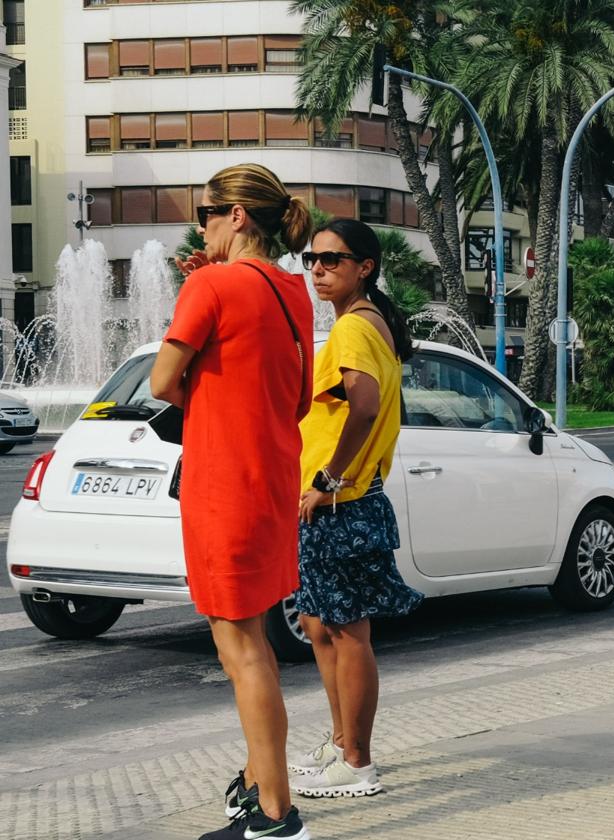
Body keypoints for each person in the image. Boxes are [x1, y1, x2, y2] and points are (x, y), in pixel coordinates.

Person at [150, 163, 315, 840]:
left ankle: (277, 817)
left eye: (206, 213)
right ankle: (259, 785)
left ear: (239, 216)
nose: (201, 226)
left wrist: (213, 398)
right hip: (271, 483)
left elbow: (163, 382)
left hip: (224, 488)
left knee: (240, 651)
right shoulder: (292, 289)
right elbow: (296, 395)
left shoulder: (212, 285)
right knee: (256, 648)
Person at [287, 219, 423, 798]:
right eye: (311, 259)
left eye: (332, 260)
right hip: (336, 504)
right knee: (321, 626)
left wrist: (329, 479)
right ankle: (343, 742)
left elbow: (364, 406)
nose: (318, 269)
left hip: (342, 503)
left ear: (364, 266)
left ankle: (358, 762)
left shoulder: (353, 329)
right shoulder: (365, 323)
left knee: (347, 633)